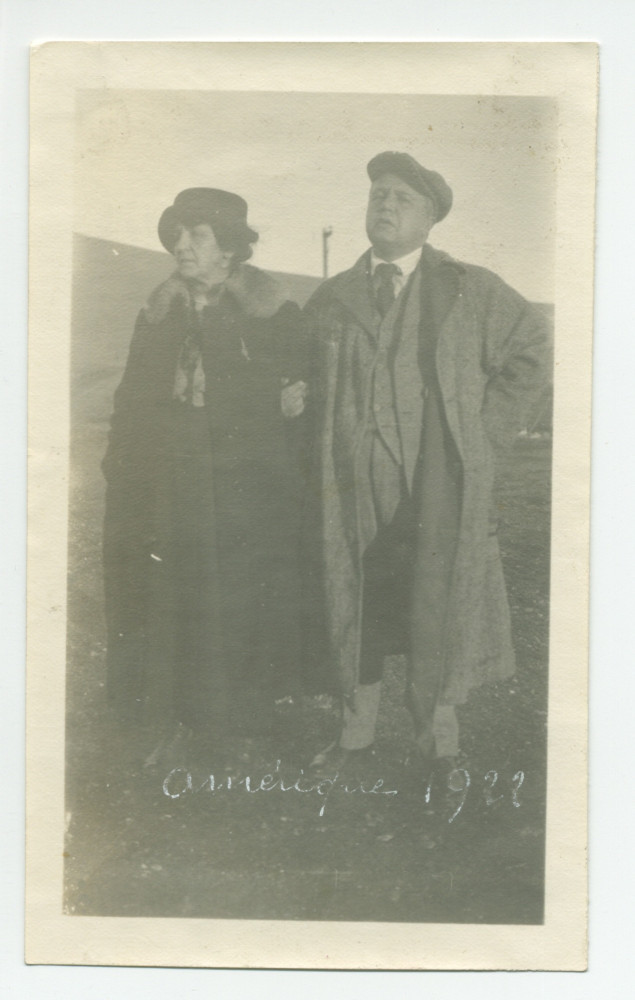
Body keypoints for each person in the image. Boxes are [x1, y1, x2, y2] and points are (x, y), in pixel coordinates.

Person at [304, 151, 550, 774]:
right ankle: (353, 736)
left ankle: (438, 744)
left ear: (431, 220)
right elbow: (301, 377)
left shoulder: (469, 288)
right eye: (377, 195)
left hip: (436, 484)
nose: (385, 205)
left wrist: (484, 437)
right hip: (351, 488)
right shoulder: (333, 298)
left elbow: (532, 349)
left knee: (435, 604)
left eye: (402, 199)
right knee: (352, 600)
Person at [102, 188, 308, 757]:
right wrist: (120, 463)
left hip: (244, 485)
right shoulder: (160, 309)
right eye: (177, 234)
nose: (181, 246)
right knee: (166, 591)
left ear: (230, 251)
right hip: (166, 479)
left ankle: (238, 724)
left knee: (238, 594)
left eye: (197, 236)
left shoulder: (273, 313)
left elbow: (298, 398)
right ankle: (167, 719)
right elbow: (130, 396)